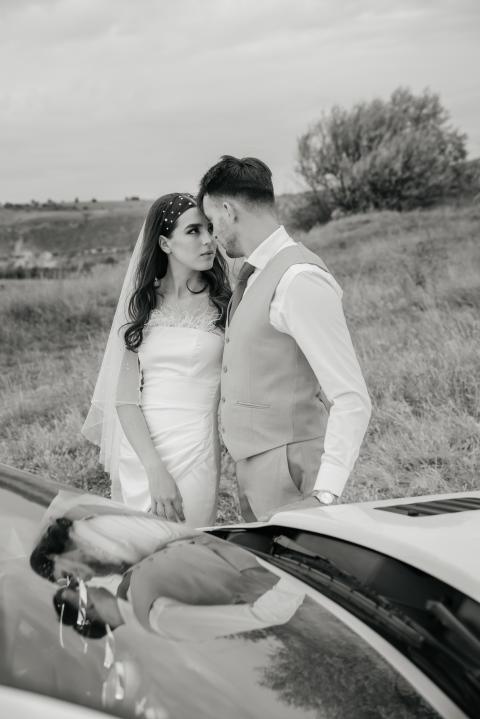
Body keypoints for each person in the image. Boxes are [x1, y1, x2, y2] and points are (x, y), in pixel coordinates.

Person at [198, 156, 372, 521]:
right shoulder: (254, 275)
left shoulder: (299, 278)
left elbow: (351, 396)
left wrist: (325, 492)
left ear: (228, 211)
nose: (212, 235)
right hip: (255, 471)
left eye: (212, 222)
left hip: (293, 471)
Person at [81, 193, 231, 526]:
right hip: (142, 452)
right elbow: (125, 399)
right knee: (136, 547)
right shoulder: (141, 303)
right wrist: (154, 469)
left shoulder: (225, 304)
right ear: (165, 243)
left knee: (186, 544)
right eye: (193, 231)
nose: (208, 240)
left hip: (195, 449)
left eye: (209, 229)